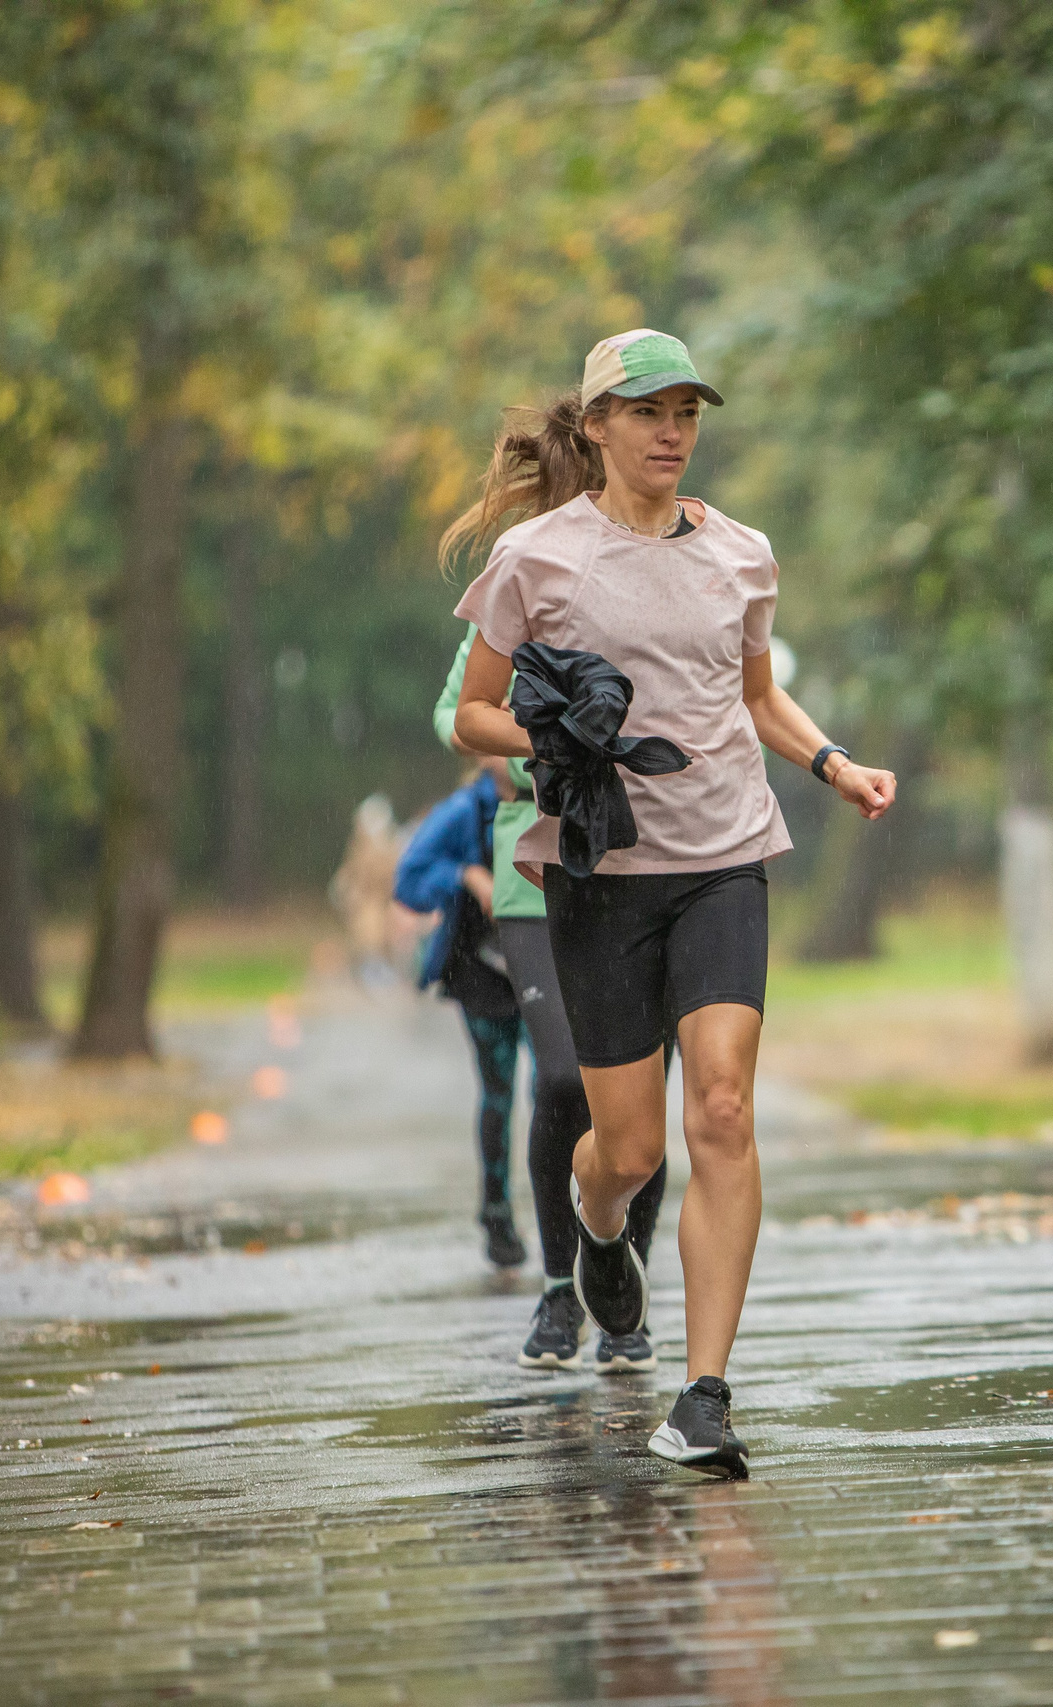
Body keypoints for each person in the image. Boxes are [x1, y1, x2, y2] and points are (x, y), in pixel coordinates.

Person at [444, 329, 896, 1476]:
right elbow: (473, 717)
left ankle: (704, 1394)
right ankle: (597, 1228)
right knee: (630, 1150)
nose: (671, 433)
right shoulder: (538, 558)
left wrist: (832, 761)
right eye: (647, 413)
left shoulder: (742, 552)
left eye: (687, 413)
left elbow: (757, 693)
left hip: (725, 859)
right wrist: (558, 734)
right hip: (601, 874)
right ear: (595, 426)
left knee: (725, 1112)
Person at [434, 630, 667, 1373]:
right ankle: (559, 1287)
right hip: (530, 870)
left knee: (640, 1099)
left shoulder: (645, 575)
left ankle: (624, 1294)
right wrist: (516, 751)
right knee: (564, 1079)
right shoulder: (524, 582)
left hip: (644, 859)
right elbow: (453, 709)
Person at [391, 758, 538, 1273]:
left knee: (555, 1090)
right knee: (498, 1093)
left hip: (550, 968)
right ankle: (496, 1214)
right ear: (478, 749)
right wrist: (466, 874)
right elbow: (407, 879)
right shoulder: (463, 811)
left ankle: (571, 1213)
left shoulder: (553, 791)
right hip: (483, 973)